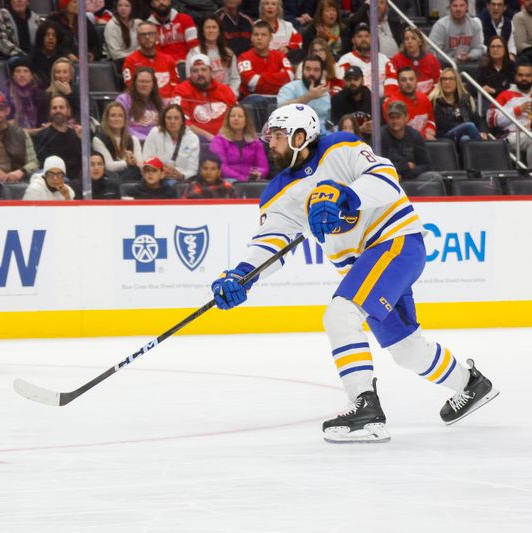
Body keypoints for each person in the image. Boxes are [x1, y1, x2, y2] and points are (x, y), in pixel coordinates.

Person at [209, 103, 498, 443]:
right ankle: (471, 384)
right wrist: (243, 275)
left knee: (341, 314)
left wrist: (346, 195)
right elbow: (271, 242)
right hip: (367, 265)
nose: (268, 142)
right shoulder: (278, 193)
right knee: (406, 348)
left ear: (300, 137)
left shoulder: (340, 147)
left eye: (277, 135)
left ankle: (365, 407)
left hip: (395, 243)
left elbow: (387, 180)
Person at [487, 62, 532, 169]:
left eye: (528, 75)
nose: (524, 78)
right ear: (515, 76)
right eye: (520, 75)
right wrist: (516, 110)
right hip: (511, 136)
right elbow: (490, 119)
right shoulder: (505, 95)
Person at [170, 54, 237, 141]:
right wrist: (208, 136)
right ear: (190, 74)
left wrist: (225, 131)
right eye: (195, 71)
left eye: (204, 69)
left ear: (210, 71)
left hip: (225, 138)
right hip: (196, 141)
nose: (200, 74)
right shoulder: (180, 91)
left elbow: (236, 115)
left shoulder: (225, 90)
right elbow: (180, 121)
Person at [381, 101, 444, 182]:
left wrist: (409, 172)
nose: (395, 121)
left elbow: (427, 165)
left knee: (434, 177)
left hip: (412, 176)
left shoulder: (415, 135)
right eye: (392, 117)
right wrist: (406, 166)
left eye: (398, 117)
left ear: (406, 117)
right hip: (391, 177)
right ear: (387, 118)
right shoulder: (381, 136)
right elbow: (381, 165)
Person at [210, 104, 270, 181]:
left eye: (240, 116)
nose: (236, 119)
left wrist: (259, 173)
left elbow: (263, 167)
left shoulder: (255, 141)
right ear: (228, 120)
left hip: (251, 180)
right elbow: (222, 167)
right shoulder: (219, 140)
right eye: (232, 116)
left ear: (246, 120)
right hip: (228, 179)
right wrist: (242, 179)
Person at [237, 20, 295, 99]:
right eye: (256, 34)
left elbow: (290, 76)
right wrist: (279, 79)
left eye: (263, 35)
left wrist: (262, 77)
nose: (259, 38)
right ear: (251, 38)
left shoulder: (280, 55)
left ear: (270, 38)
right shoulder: (244, 58)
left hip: (278, 98)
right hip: (253, 100)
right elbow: (251, 82)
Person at [185, 15, 240, 97]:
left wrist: (230, 95)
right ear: (202, 31)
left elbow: (235, 79)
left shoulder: (229, 53)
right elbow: (190, 79)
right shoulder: (194, 53)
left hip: (225, 96)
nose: (211, 30)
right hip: (202, 97)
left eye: (214, 27)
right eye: (207, 27)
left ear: (219, 31)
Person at [32, 95, 83, 182]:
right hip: (50, 180)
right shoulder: (42, 136)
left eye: (61, 107)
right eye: (54, 108)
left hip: (75, 182)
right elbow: (39, 164)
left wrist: (81, 140)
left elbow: (83, 162)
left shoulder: (77, 135)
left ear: (68, 111)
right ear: (50, 112)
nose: (58, 110)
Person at [142, 104, 200, 181]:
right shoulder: (155, 132)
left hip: (181, 180)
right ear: (164, 120)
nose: (172, 121)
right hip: (157, 178)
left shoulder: (192, 138)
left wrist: (181, 175)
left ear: (182, 121)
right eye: (169, 118)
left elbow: (192, 170)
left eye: (176, 118)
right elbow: (147, 160)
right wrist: (161, 171)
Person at [123, 21, 179, 98]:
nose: (147, 37)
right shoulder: (130, 61)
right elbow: (131, 87)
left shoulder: (168, 59)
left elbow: (176, 86)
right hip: (143, 103)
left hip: (168, 104)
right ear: (137, 38)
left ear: (157, 36)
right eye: (143, 35)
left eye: (151, 33)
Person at [431, 67, 486, 145]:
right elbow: (442, 126)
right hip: (445, 137)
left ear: (457, 82)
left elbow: (478, 120)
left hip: (463, 136)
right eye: (444, 79)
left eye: (450, 79)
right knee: (469, 126)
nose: (447, 82)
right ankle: (484, 152)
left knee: (465, 139)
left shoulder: (466, 100)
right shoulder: (434, 102)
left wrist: (483, 132)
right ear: (440, 82)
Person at [278, 55, 331, 132]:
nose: (311, 73)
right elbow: (281, 109)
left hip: (321, 133)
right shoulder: (289, 88)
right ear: (302, 71)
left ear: (321, 73)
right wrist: (309, 96)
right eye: (308, 69)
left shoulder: (325, 94)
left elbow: (328, 121)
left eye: (316, 70)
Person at [386, 27, 442, 98]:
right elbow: (391, 83)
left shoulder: (432, 59)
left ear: (420, 42)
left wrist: (431, 97)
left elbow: (438, 82)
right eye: (406, 39)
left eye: (413, 38)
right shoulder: (395, 60)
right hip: (403, 99)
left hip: (429, 99)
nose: (409, 41)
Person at [383, 67, 437, 140]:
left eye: (411, 79)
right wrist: (424, 135)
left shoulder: (424, 98)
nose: (408, 83)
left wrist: (431, 128)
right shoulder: (391, 103)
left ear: (416, 81)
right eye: (404, 80)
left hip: (424, 141)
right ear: (398, 83)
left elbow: (431, 119)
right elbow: (397, 130)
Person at [92, 101, 143, 178]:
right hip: (109, 177)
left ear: (125, 119)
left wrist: (134, 160)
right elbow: (108, 166)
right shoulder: (98, 140)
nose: (117, 119)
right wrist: (126, 162)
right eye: (113, 115)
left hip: (131, 175)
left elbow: (141, 164)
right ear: (107, 119)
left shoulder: (133, 139)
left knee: (135, 171)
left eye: (120, 116)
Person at [337, 23, 389, 96]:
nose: (363, 39)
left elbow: (392, 80)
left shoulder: (383, 58)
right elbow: (343, 84)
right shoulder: (346, 60)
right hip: (357, 103)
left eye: (366, 36)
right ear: (353, 40)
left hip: (383, 102)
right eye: (359, 36)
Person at [116, 66, 164, 141]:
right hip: (132, 141)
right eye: (141, 81)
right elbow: (121, 126)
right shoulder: (123, 99)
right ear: (135, 83)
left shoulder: (160, 102)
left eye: (147, 82)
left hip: (155, 142)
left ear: (153, 84)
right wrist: (142, 139)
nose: (144, 85)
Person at [5, 56, 50, 132]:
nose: (22, 75)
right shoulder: (6, 96)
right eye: (18, 71)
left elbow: (44, 124)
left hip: (38, 137)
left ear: (32, 76)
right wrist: (34, 131)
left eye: (26, 71)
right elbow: (9, 128)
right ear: (12, 76)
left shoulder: (42, 96)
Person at [331, 67, 372, 136]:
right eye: (349, 80)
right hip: (345, 139)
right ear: (344, 81)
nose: (352, 82)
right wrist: (359, 130)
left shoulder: (371, 98)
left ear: (362, 81)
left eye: (356, 79)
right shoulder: (337, 99)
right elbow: (335, 128)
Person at [104, 0, 142, 70]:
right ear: (116, 8)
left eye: (127, 6)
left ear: (132, 8)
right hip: (119, 63)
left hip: (138, 61)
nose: (123, 8)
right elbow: (116, 54)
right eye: (120, 5)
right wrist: (136, 56)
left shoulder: (138, 23)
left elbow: (142, 46)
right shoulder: (111, 25)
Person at [28, 20, 63, 88]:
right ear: (41, 38)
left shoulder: (62, 59)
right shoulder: (32, 59)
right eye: (47, 35)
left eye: (54, 35)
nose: (51, 38)